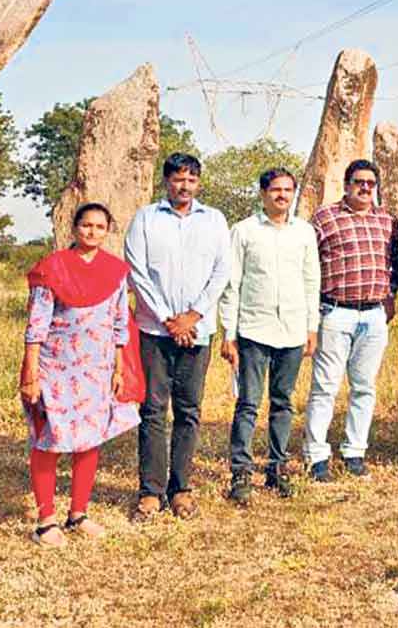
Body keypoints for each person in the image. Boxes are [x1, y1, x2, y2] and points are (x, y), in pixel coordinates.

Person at [19, 202, 141, 546]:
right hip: (55, 368)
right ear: (74, 228)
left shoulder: (116, 271)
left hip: (97, 370)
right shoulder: (52, 269)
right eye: (86, 225)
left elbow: (120, 322)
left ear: (107, 231)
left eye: (99, 227)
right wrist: (31, 372)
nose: (92, 232)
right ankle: (46, 520)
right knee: (49, 440)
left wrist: (119, 367)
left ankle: (78, 513)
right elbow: (36, 325)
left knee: (89, 440)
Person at [125, 153, 230, 522]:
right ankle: (150, 492)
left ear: (198, 183)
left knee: (189, 411)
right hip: (155, 330)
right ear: (166, 181)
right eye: (177, 179)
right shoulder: (146, 219)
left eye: (191, 179)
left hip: (198, 330)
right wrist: (170, 320)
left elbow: (222, 272)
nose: (184, 186)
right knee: (153, 410)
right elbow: (137, 272)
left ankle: (181, 488)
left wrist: (192, 317)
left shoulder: (214, 219)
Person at [218, 168, 320, 505]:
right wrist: (229, 334)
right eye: (275, 190)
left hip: (291, 330)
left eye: (288, 190)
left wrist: (311, 327)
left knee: (283, 402)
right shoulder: (244, 231)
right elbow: (232, 284)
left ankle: (277, 468)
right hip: (253, 329)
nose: (282, 196)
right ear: (263, 193)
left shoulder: (304, 233)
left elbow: (311, 282)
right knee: (248, 403)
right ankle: (241, 472)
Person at [303, 159, 398, 483]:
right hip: (335, 312)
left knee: (364, 387)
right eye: (358, 182)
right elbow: (306, 264)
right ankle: (316, 455)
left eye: (370, 183)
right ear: (346, 184)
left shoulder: (388, 221)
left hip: (373, 316)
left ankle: (354, 452)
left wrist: (391, 295)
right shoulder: (324, 218)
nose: (364, 188)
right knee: (325, 387)